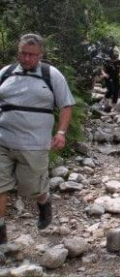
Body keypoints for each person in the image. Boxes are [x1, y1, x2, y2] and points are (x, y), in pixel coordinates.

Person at [0, 33, 75, 244]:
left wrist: (61, 133)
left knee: (30, 188)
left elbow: (66, 106)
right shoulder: (5, 73)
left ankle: (43, 201)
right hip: (2, 141)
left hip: (34, 145)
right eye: (23, 53)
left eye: (31, 55)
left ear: (40, 54)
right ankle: (1, 234)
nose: (26, 58)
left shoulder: (51, 75)